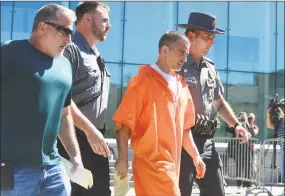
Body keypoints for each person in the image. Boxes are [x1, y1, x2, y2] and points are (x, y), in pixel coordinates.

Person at [0, 4, 83, 196]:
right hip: (12, 170)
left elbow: (63, 114)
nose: (69, 40)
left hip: (53, 168)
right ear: (42, 27)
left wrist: (75, 155)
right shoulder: (8, 52)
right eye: (65, 31)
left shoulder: (65, 65)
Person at [113, 31, 206, 195]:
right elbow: (124, 124)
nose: (185, 59)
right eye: (181, 52)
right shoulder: (141, 81)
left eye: (187, 53)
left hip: (172, 166)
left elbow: (185, 130)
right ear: (164, 51)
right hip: (150, 164)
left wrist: (196, 157)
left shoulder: (182, 86)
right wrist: (122, 158)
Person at [177, 12, 251, 196]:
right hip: (181, 142)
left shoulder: (210, 67)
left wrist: (237, 125)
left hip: (207, 142)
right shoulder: (176, 64)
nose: (212, 42)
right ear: (191, 36)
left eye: (213, 37)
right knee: (180, 192)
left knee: (217, 192)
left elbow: (218, 102)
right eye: (207, 37)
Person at [57, 2, 112, 196]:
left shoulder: (96, 55)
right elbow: (61, 97)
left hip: (95, 138)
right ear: (87, 19)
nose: (109, 25)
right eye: (104, 20)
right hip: (73, 137)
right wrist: (89, 131)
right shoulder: (71, 49)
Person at [226, 112, 258, 194]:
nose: (243, 118)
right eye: (242, 117)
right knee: (239, 169)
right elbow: (227, 129)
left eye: (245, 117)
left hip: (247, 150)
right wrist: (236, 122)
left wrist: (246, 125)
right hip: (238, 150)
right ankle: (239, 187)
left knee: (248, 169)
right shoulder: (236, 126)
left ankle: (247, 187)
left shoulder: (250, 126)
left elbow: (253, 132)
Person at [266, 98, 285, 183]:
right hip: (282, 148)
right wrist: (268, 114)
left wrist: (282, 114)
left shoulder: (282, 118)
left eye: (283, 107)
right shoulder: (280, 120)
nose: (281, 108)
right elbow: (269, 125)